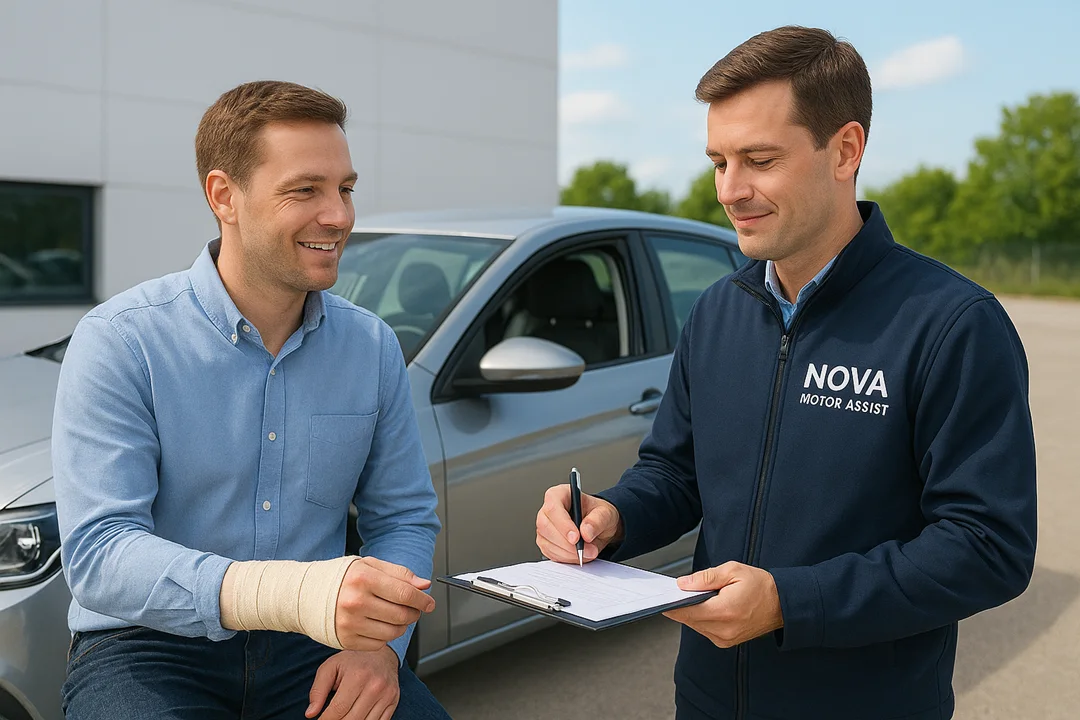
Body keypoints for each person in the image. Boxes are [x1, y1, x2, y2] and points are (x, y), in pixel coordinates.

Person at [535, 26, 1037, 720]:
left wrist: (790, 602)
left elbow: (988, 547)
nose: (731, 190)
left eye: (760, 159)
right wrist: (612, 517)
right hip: (707, 700)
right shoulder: (718, 310)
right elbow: (675, 474)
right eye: (719, 161)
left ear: (846, 149)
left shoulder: (951, 324)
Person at [53, 80, 451, 720]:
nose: (340, 215)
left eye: (345, 189)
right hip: (149, 646)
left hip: (317, 646)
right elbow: (101, 554)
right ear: (223, 196)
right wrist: (295, 593)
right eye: (306, 190)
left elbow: (402, 516)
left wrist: (383, 645)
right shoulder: (120, 340)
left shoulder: (371, 345)